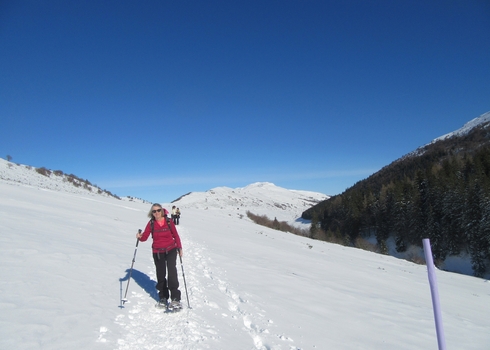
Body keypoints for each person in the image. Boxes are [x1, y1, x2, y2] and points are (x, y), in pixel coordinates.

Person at [136, 203, 183, 309]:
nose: (156, 213)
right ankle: (163, 297)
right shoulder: (151, 223)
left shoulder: (169, 221)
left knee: (172, 273)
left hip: (171, 249)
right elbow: (145, 237)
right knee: (161, 274)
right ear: (151, 213)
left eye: (158, 210)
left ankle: (175, 298)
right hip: (157, 252)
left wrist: (179, 247)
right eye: (154, 211)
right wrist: (139, 237)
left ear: (162, 211)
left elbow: (176, 235)